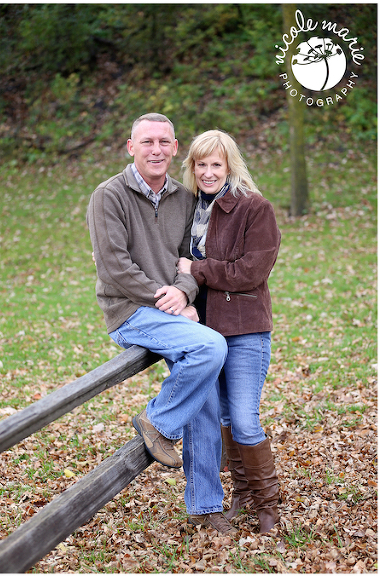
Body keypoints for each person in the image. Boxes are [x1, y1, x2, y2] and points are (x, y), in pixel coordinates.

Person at [86, 113, 234, 534]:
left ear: (174, 148)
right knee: (210, 348)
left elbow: (191, 260)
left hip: (171, 309)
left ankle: (205, 506)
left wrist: (185, 292)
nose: (156, 149)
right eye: (147, 141)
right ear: (130, 147)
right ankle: (159, 421)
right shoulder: (108, 196)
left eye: (164, 142)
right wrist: (165, 298)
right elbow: (114, 267)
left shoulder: (185, 199)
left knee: (204, 395)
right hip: (130, 312)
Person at [178, 130, 281, 534]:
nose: (207, 172)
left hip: (244, 330)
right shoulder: (189, 210)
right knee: (223, 418)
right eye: (200, 164)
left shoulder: (254, 208)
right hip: (204, 332)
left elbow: (250, 273)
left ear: (230, 165)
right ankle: (241, 493)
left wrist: (197, 269)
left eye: (215, 164)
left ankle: (268, 505)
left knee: (243, 419)